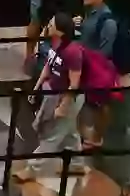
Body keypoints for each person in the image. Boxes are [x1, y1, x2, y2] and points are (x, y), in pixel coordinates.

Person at [11, 16, 87, 183]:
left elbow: (74, 84)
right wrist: (36, 88)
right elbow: (48, 67)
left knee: (53, 134)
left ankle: (32, 168)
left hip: (68, 98)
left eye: (51, 23)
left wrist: (63, 107)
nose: (48, 24)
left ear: (60, 30)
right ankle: (76, 164)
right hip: (53, 93)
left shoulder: (73, 52)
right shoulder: (55, 44)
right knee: (70, 132)